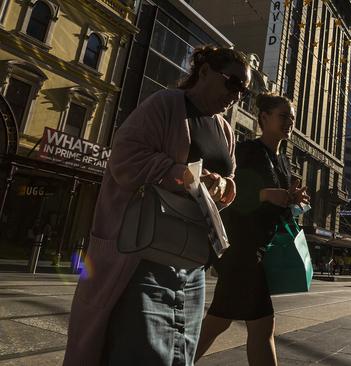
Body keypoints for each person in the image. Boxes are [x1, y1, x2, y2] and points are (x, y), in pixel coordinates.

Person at [64, 46, 250, 366]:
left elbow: (230, 179)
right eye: (232, 83)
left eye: (243, 90)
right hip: (144, 258)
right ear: (203, 71)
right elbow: (124, 159)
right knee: (143, 353)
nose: (237, 95)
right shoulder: (164, 105)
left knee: (180, 355)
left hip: (192, 266)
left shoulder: (226, 130)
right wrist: (179, 172)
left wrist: (224, 185)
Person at [196, 93, 309, 365]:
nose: (289, 122)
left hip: (255, 251)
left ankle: (175, 360)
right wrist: (265, 194)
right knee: (262, 326)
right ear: (264, 118)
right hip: (241, 251)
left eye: (292, 118)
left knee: (218, 321)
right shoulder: (248, 151)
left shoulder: (282, 160)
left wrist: (292, 199)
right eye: (284, 116)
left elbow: (276, 203)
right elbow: (228, 196)